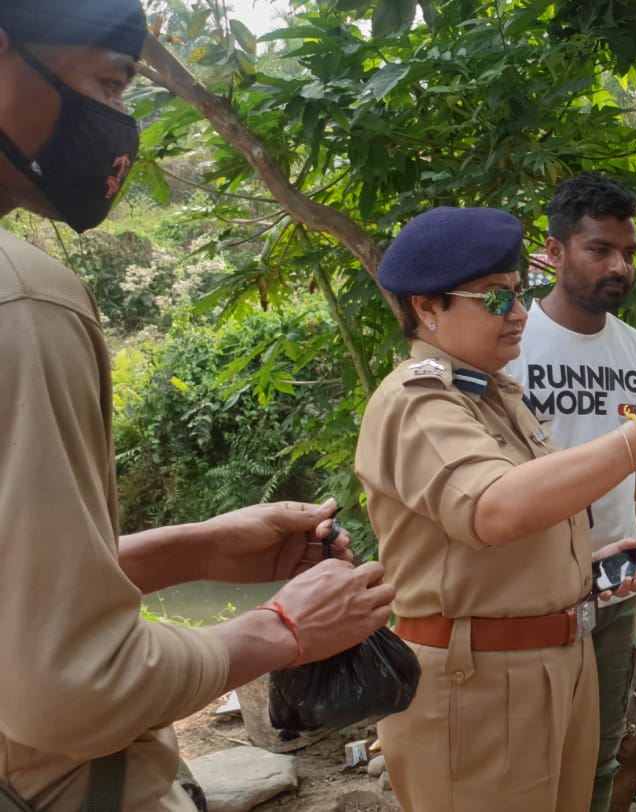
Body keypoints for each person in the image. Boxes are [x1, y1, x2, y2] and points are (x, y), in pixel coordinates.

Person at [0, 4, 396, 810]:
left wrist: (193, 551)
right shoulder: (26, 301)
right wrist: (281, 631)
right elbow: (67, 688)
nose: (120, 122)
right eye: (108, 83)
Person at [354, 205, 636, 812]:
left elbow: (524, 520)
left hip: (552, 660)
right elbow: (495, 509)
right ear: (427, 308)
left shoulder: (494, 394)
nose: (519, 314)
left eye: (516, 293)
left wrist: (579, 572)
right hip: (477, 682)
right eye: (494, 299)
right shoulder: (418, 401)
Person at [506, 172, 636, 812]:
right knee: (526, 754)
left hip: (618, 576)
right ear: (552, 251)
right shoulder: (508, 346)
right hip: (524, 579)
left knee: (600, 751)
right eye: (599, 250)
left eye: (627, 252)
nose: (619, 267)